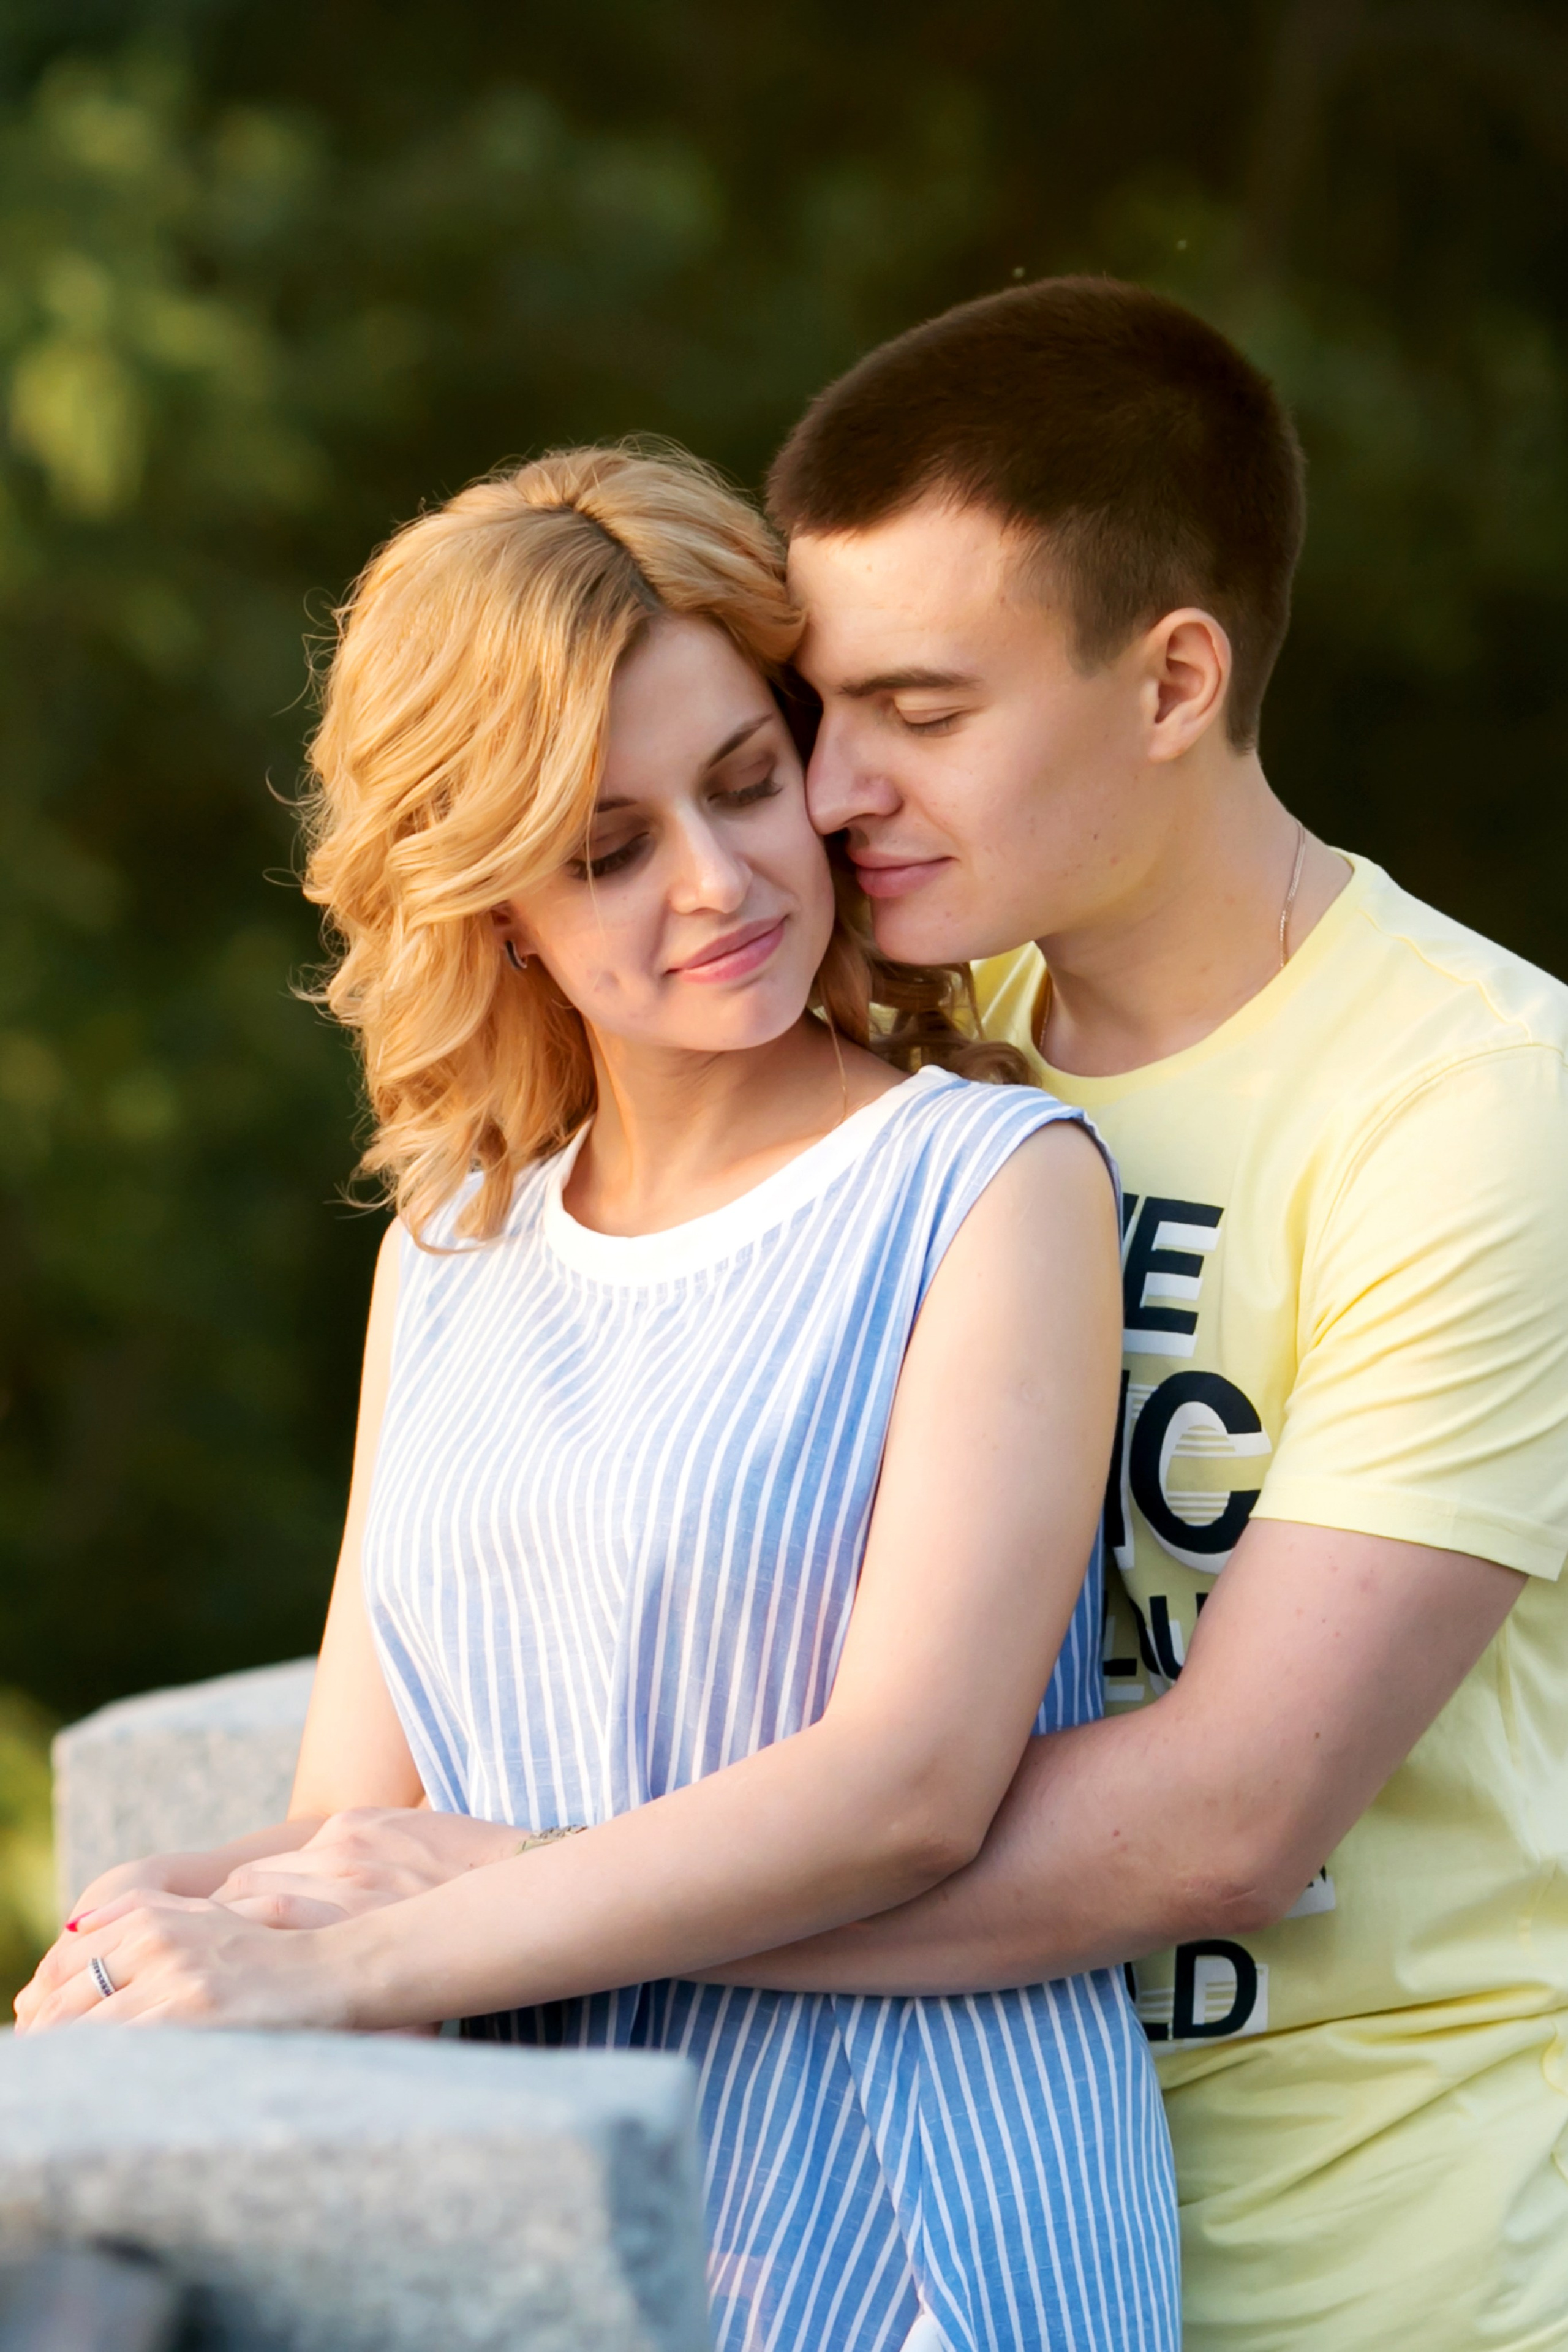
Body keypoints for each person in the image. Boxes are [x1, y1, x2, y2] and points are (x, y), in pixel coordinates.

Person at [18, 446, 1180, 2352]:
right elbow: (358, 1810)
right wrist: (149, 1915)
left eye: (744, 782)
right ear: (495, 913)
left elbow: (908, 1789)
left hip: (901, 2201)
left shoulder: (988, 1185)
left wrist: (335, 1970)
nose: (718, 883)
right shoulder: (456, 1252)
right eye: (606, 847)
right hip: (529, 2213)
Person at [684, 277, 1566, 2352]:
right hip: (937, 2242)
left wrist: (543, 1918)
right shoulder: (912, 1051)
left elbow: (1229, 1819)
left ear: (1174, 681)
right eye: (822, 712)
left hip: (1377, 2277)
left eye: (926, 711)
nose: (831, 793)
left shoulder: (1481, 1102)